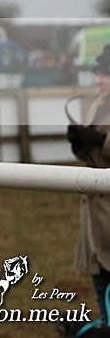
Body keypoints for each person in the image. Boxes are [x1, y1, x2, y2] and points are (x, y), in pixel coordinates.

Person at [68, 44, 110, 323]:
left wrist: (102, 141)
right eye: (97, 73)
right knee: (102, 288)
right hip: (98, 215)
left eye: (104, 73)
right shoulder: (98, 103)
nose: (98, 79)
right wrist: (79, 142)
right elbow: (91, 155)